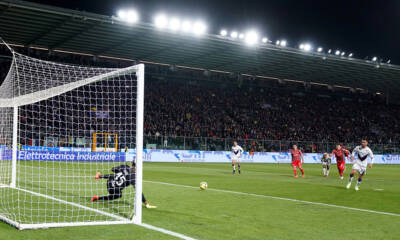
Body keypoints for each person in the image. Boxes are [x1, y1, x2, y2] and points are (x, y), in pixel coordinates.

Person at [91, 162, 156, 208]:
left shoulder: (125, 166)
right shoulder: (133, 177)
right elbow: (138, 191)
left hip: (109, 182)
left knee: (114, 176)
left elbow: (113, 169)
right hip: (113, 189)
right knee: (119, 194)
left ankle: (99, 176)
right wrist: (146, 203)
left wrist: (121, 171)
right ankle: (98, 198)